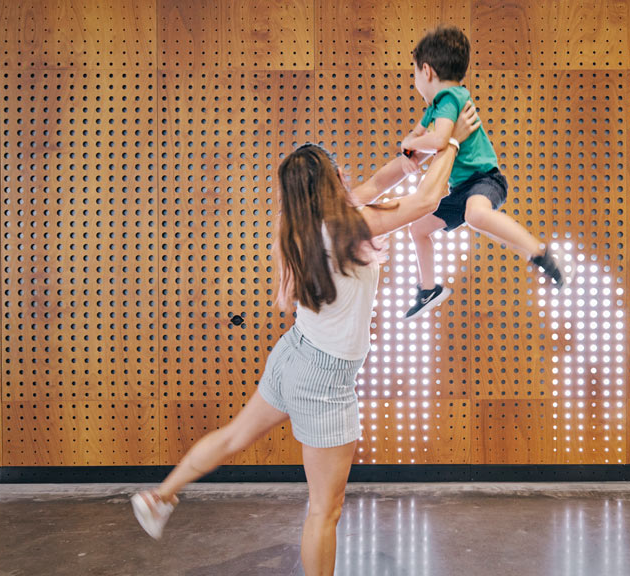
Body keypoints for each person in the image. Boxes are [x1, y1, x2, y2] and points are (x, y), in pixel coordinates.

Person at [130, 102, 482, 576]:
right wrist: (453, 143)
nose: (345, 174)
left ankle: (159, 496)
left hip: (293, 355)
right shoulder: (348, 227)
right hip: (325, 381)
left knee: (235, 435)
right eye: (337, 170)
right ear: (331, 178)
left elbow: (376, 187)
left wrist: (408, 159)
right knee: (324, 511)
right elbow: (423, 204)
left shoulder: (296, 227)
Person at [399, 25, 570, 319]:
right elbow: (417, 144)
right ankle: (428, 289)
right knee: (418, 229)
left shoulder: (451, 98)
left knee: (476, 215)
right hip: (461, 189)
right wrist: (410, 149)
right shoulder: (434, 107)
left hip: (485, 179)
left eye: (414, 73)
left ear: (426, 71)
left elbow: (437, 141)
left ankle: (539, 252)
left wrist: (409, 145)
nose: (416, 79)